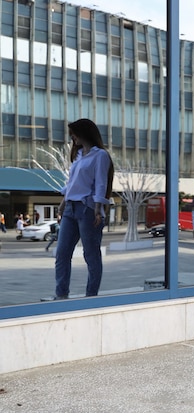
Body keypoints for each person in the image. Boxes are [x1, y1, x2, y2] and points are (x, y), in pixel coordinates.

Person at [54, 118, 114, 300]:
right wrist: (62, 204)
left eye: (74, 133)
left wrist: (98, 208)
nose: (72, 137)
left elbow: (101, 183)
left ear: (84, 133)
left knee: (91, 255)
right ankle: (61, 294)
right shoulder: (79, 155)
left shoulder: (100, 155)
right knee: (62, 254)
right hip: (70, 209)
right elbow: (72, 183)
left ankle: (91, 296)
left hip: (87, 209)